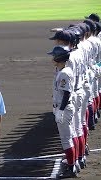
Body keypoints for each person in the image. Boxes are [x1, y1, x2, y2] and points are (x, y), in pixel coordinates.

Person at [48, 46, 78, 178]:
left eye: (54, 56)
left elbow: (67, 93)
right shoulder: (62, 70)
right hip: (63, 107)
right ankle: (73, 163)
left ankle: (71, 168)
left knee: (66, 140)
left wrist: (60, 111)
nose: (52, 57)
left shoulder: (65, 73)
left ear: (58, 58)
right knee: (69, 137)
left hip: (64, 108)